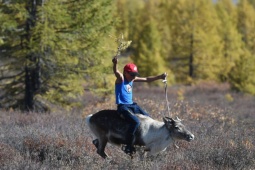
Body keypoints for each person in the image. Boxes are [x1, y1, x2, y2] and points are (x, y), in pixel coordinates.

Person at [112, 57, 167, 155]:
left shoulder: (132, 79)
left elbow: (146, 79)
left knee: (148, 118)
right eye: (132, 74)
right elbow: (116, 72)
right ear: (126, 73)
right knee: (135, 122)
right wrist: (115, 64)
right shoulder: (121, 79)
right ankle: (128, 145)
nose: (134, 77)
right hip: (123, 106)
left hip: (132, 105)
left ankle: (147, 140)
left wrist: (159, 77)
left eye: (135, 75)